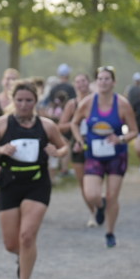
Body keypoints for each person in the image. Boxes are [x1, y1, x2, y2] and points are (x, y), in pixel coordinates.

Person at [0, 82, 68, 279]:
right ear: (13, 100)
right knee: (11, 243)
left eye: (28, 100)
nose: (24, 104)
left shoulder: (46, 125)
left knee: (27, 236)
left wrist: (56, 152)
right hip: (10, 183)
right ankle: (23, 257)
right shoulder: (2, 124)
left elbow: (64, 146)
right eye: (19, 100)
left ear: (35, 101)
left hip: (37, 183)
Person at [71, 66, 139, 248]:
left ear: (114, 82)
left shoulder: (122, 104)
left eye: (107, 79)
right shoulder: (87, 103)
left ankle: (110, 232)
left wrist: (121, 139)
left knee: (112, 196)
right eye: (100, 79)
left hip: (117, 155)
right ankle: (100, 206)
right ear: (96, 82)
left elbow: (134, 131)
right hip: (94, 155)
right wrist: (79, 140)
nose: (103, 82)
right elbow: (74, 123)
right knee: (91, 194)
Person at [58, 72, 98, 225]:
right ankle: (93, 213)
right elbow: (61, 126)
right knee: (82, 182)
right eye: (78, 82)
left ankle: (99, 201)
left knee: (96, 179)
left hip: (96, 142)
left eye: (83, 81)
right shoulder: (72, 104)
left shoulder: (97, 100)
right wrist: (76, 121)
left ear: (89, 83)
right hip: (78, 144)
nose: (81, 84)